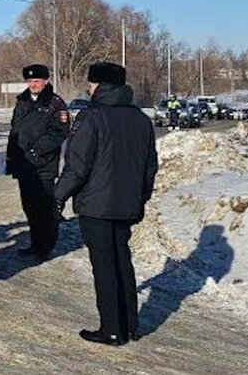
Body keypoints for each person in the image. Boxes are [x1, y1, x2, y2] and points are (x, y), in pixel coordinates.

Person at [56, 62, 158, 346]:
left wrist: (57, 197)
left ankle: (111, 329)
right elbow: (150, 167)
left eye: (90, 83)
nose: (87, 88)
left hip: (96, 206)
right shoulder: (141, 119)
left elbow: (77, 167)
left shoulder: (92, 118)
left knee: (104, 266)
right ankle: (130, 325)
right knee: (122, 261)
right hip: (127, 205)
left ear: (98, 85)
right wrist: (141, 198)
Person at [6, 64, 70, 261]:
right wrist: (12, 157)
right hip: (24, 165)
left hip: (43, 165)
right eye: (30, 81)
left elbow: (59, 132)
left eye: (36, 81)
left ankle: (45, 247)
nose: (33, 85)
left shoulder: (55, 103)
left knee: (45, 208)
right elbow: (15, 131)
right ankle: (35, 243)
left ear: (45, 81)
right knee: (30, 206)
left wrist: (36, 151)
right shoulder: (22, 101)